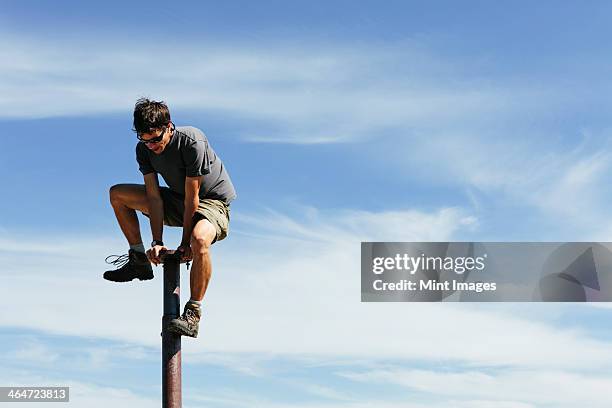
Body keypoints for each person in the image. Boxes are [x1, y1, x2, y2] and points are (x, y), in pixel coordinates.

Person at [104, 98, 236, 338]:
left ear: (169, 127)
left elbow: (192, 198)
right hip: (175, 200)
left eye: (156, 139)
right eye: (145, 140)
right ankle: (138, 260)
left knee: (199, 240)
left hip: (212, 203)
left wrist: (185, 243)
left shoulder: (191, 141)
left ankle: (193, 314)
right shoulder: (143, 150)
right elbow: (154, 198)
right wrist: (156, 242)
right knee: (118, 194)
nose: (152, 146)